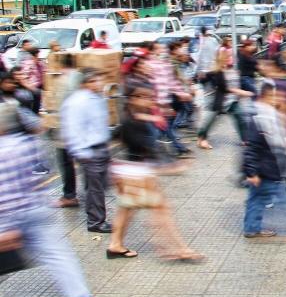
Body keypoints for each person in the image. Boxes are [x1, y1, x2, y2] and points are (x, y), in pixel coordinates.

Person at [0, 130, 98, 297]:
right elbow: (44, 170)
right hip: (37, 207)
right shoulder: (24, 142)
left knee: (55, 254)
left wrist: (6, 227)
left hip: (11, 215)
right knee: (58, 254)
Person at [107, 85, 204, 261]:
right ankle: (177, 249)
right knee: (161, 210)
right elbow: (147, 149)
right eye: (144, 97)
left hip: (129, 173)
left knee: (127, 209)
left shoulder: (134, 118)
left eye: (150, 97)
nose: (149, 101)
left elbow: (114, 139)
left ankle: (115, 244)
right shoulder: (133, 122)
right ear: (132, 99)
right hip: (136, 175)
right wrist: (171, 167)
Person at [60, 68, 113, 233]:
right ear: (84, 83)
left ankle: (97, 217)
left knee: (98, 187)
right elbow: (73, 129)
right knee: (94, 188)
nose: (98, 83)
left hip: (101, 147)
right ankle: (96, 222)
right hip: (90, 150)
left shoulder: (98, 98)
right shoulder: (77, 102)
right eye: (93, 81)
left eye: (99, 80)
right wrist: (81, 152)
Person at [242, 81, 286, 238]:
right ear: (265, 97)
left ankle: (251, 228)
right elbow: (251, 148)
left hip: (266, 167)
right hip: (263, 169)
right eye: (273, 96)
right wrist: (252, 173)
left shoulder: (269, 115)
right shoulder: (260, 118)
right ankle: (252, 228)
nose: (277, 99)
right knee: (265, 198)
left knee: (256, 199)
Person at [197, 37, 254, 150]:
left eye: (231, 57)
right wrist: (241, 92)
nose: (231, 58)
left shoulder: (230, 69)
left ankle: (245, 139)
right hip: (217, 100)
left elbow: (233, 83)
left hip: (230, 100)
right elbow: (224, 87)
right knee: (209, 121)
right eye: (228, 57)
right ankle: (201, 139)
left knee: (240, 116)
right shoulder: (216, 71)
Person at [50, 54, 83, 208]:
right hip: (82, 130)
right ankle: (90, 192)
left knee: (66, 163)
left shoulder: (63, 81)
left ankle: (69, 196)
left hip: (67, 131)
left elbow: (61, 108)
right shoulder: (82, 78)